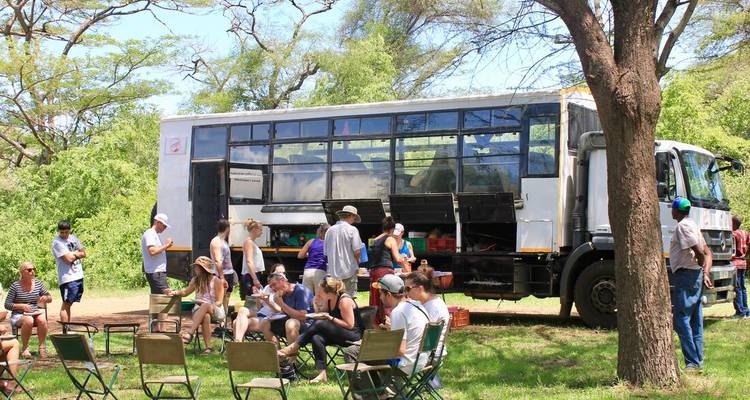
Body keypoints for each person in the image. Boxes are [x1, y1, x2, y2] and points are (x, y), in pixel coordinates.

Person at [278, 276, 361, 384]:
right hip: (339, 333)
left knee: (321, 324)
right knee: (316, 337)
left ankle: (294, 347)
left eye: (320, 290)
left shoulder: (344, 301)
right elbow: (321, 314)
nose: (318, 292)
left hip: (353, 335)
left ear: (328, 291)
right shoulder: (330, 299)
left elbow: (350, 325)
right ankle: (322, 374)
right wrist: (316, 305)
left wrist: (330, 318)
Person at [669, 197, 713, 372]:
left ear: (676, 211)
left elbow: (701, 252)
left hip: (686, 276)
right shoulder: (693, 224)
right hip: (694, 275)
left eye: (672, 208)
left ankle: (692, 362)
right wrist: (705, 272)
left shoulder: (683, 226)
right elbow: (709, 252)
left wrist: (700, 264)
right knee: (695, 320)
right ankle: (698, 361)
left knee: (680, 319)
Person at [167, 256, 226, 353]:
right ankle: (208, 348)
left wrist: (207, 304)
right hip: (199, 311)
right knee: (205, 316)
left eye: (197, 267)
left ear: (203, 269)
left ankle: (190, 333)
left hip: (216, 310)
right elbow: (185, 292)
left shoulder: (217, 281)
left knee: (206, 306)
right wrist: (175, 292)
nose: (195, 269)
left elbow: (219, 301)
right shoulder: (196, 280)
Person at [373, 274, 429, 375]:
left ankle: (378, 390)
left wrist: (376, 345)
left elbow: (400, 350)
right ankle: (389, 387)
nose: (380, 297)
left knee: (358, 353)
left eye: (380, 294)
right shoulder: (417, 305)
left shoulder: (398, 312)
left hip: (406, 365)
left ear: (389, 295)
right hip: (422, 361)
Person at [405, 270, 450, 388]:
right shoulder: (430, 303)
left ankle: (390, 390)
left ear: (419, 289)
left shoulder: (432, 307)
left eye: (408, 289)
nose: (405, 293)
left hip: (428, 355)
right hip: (432, 352)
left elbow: (423, 336)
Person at [4, 262, 53, 358]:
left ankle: (42, 348)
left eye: (34, 269)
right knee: (28, 320)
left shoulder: (38, 283)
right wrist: (21, 306)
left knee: (42, 318)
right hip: (18, 315)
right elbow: (7, 304)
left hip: (34, 312)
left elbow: (49, 298)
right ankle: (25, 348)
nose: (33, 272)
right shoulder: (15, 286)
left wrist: (46, 298)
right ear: (22, 272)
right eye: (29, 270)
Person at [233, 263, 287, 342]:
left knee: (235, 323)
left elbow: (281, 311)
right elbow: (259, 308)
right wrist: (259, 298)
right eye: (278, 272)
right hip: (261, 314)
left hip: (271, 318)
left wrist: (267, 301)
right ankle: (238, 344)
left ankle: (238, 345)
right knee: (242, 310)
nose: (281, 275)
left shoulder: (284, 290)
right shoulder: (268, 287)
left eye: (283, 273)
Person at [368, 217, 405, 325]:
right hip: (385, 271)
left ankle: (376, 321)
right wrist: (405, 263)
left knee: (376, 296)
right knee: (389, 295)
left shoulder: (375, 240)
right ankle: (388, 320)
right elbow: (398, 259)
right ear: (392, 229)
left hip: (374, 271)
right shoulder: (390, 239)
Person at [264, 272, 313, 345]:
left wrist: (281, 304)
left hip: (309, 325)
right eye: (271, 287)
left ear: (282, 280)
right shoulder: (283, 293)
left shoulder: (300, 290)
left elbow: (303, 317)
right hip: (291, 324)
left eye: (274, 285)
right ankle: (277, 354)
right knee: (264, 323)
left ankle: (291, 355)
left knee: (290, 323)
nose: (273, 289)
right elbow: (286, 313)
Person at [324, 205, 363, 297]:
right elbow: (357, 251)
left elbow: (326, 253)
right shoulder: (352, 230)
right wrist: (357, 265)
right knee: (348, 299)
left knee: (334, 299)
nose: (354, 220)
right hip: (348, 271)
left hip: (333, 273)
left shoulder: (329, 230)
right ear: (351, 216)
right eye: (354, 217)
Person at [51, 220, 85, 323]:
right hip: (67, 278)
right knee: (66, 303)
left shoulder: (74, 238)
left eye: (66, 232)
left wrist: (72, 254)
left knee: (70, 303)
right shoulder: (57, 243)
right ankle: (65, 330)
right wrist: (76, 253)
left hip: (78, 275)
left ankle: (68, 327)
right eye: (62, 232)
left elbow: (83, 253)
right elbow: (68, 260)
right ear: (58, 231)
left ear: (70, 230)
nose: (64, 234)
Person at [140, 213, 173, 295]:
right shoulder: (150, 234)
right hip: (156, 272)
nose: (165, 228)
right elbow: (152, 251)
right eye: (164, 225)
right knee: (166, 296)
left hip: (156, 272)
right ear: (158, 222)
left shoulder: (153, 234)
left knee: (157, 298)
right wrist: (167, 245)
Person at [210, 219, 235, 312]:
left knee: (226, 299)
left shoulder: (224, 242)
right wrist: (222, 277)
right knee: (220, 298)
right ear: (227, 228)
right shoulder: (216, 241)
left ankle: (224, 321)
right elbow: (217, 260)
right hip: (221, 274)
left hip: (229, 273)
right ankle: (220, 321)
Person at [299, 223, 329, 294]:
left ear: (319, 231)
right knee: (319, 297)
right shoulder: (328, 244)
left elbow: (300, 255)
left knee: (307, 297)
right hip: (320, 271)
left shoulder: (311, 241)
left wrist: (310, 255)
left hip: (308, 271)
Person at [240, 218, 265, 300]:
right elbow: (249, 261)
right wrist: (255, 279)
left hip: (253, 274)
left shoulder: (252, 242)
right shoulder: (249, 242)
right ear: (255, 229)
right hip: (250, 275)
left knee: (256, 300)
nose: (262, 232)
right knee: (251, 301)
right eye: (260, 230)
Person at [731, 215, 750, 318]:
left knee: (737, 288)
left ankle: (740, 312)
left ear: (734, 223)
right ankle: (746, 310)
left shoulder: (733, 234)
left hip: (735, 263)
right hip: (743, 263)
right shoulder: (745, 233)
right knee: (743, 288)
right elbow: (749, 244)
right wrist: (745, 255)